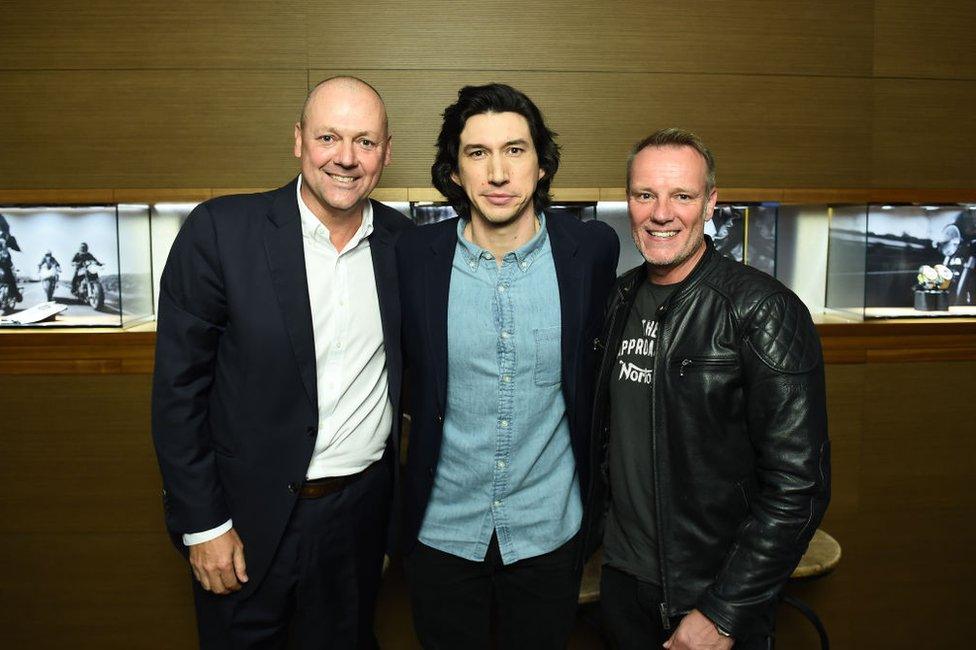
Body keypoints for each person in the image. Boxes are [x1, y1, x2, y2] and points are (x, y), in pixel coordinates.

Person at [152, 76, 412, 649]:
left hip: (358, 521)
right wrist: (204, 525)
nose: (346, 158)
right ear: (298, 140)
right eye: (328, 137)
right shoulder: (221, 233)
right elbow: (178, 393)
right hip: (243, 522)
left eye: (365, 142)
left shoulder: (405, 245)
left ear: (387, 153)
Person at [396, 83, 619, 648]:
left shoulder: (590, 252)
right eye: (477, 153)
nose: (498, 173)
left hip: (549, 531)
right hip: (441, 531)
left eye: (515, 150)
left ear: (541, 166)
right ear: (455, 172)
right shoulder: (413, 259)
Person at [589, 128, 830, 650]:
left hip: (706, 598)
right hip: (622, 582)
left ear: (711, 203)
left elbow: (799, 487)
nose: (661, 213)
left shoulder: (762, 310)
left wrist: (723, 612)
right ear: (627, 201)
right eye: (644, 194)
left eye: (682, 195)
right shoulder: (620, 298)